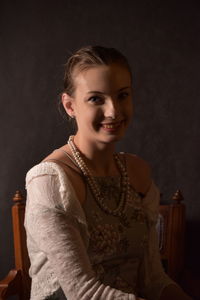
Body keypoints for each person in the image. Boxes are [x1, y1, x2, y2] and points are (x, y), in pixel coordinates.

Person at [25, 46, 192, 300]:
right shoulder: (49, 180)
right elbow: (82, 292)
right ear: (70, 106)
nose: (114, 111)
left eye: (122, 95)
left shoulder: (137, 173)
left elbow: (153, 279)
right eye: (96, 98)